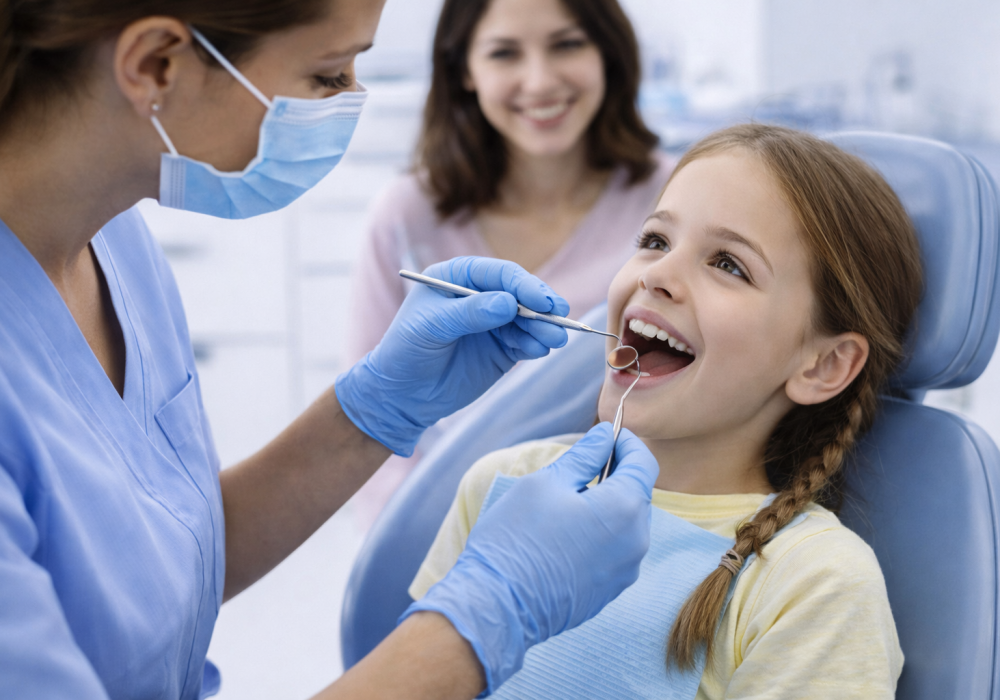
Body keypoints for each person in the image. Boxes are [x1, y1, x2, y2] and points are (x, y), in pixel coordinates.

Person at [0, 1, 661, 698]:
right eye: (326, 73)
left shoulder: (112, 241)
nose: (352, 100)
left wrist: (374, 409)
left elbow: (153, 565)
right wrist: (496, 607)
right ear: (156, 63)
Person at [409, 124, 923, 698]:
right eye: (655, 240)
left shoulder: (816, 584)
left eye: (728, 264)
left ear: (823, 365)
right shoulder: (504, 486)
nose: (655, 275)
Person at [347, 0, 671, 526]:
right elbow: (369, 417)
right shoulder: (406, 215)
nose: (540, 81)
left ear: (608, 54)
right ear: (464, 72)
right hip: (450, 523)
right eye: (504, 53)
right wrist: (418, 547)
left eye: (567, 44)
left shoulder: (674, 199)